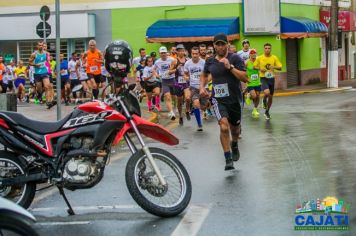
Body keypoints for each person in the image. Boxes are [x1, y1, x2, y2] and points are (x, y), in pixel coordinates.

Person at [200, 33, 248, 171]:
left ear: (227, 44)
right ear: (214, 45)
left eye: (223, 44)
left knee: (235, 130)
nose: (220, 47)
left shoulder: (235, 58)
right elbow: (204, 75)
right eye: (217, 44)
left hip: (235, 99)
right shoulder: (209, 61)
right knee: (224, 127)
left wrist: (230, 67)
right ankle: (228, 158)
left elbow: (245, 78)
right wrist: (202, 87)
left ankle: (234, 144)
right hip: (218, 99)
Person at [253, 43, 282, 120]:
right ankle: (264, 99)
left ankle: (267, 111)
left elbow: (280, 67)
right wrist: (260, 69)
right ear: (264, 49)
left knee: (271, 97)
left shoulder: (274, 58)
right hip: (263, 78)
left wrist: (274, 67)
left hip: (271, 78)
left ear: (271, 49)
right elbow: (254, 66)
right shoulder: (259, 58)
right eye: (266, 48)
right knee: (266, 92)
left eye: (269, 48)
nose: (267, 49)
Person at [29, 41, 56, 109]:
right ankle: (39, 95)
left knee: (47, 86)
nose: (41, 46)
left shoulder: (46, 53)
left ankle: (48, 102)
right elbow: (30, 62)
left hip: (44, 72)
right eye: (39, 45)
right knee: (39, 89)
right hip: (37, 73)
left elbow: (48, 62)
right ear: (37, 46)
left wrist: (50, 68)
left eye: (42, 45)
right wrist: (35, 65)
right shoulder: (34, 54)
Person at [184, 47, 206, 131]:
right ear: (191, 53)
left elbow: (208, 74)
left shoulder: (203, 63)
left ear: (199, 54)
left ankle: (200, 109)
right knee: (196, 103)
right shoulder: (187, 63)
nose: (195, 55)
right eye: (193, 54)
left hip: (203, 87)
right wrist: (186, 77)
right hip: (193, 87)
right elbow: (185, 73)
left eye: (196, 54)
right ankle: (199, 124)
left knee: (204, 106)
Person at [153, 46, 176, 120]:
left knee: (174, 96)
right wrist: (156, 75)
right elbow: (153, 69)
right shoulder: (157, 62)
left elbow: (176, 68)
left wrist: (171, 71)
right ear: (159, 54)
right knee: (167, 96)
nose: (163, 54)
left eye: (164, 53)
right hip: (164, 81)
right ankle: (171, 112)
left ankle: (175, 106)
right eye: (162, 53)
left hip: (172, 79)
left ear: (167, 53)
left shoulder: (172, 59)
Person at [173, 44, 191, 125]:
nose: (181, 52)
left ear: (184, 51)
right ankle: (180, 116)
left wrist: (189, 76)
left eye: (182, 50)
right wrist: (176, 69)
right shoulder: (174, 61)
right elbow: (169, 72)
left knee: (187, 98)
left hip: (186, 83)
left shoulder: (188, 60)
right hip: (177, 83)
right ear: (177, 52)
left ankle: (187, 110)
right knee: (179, 102)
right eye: (179, 50)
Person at [245, 49, 261, 118]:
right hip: (250, 82)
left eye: (254, 53)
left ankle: (255, 109)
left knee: (257, 96)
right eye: (252, 53)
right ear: (249, 55)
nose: (253, 54)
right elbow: (243, 70)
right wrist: (245, 78)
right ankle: (248, 95)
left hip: (258, 81)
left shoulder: (258, 61)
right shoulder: (247, 62)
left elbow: (261, 68)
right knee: (254, 96)